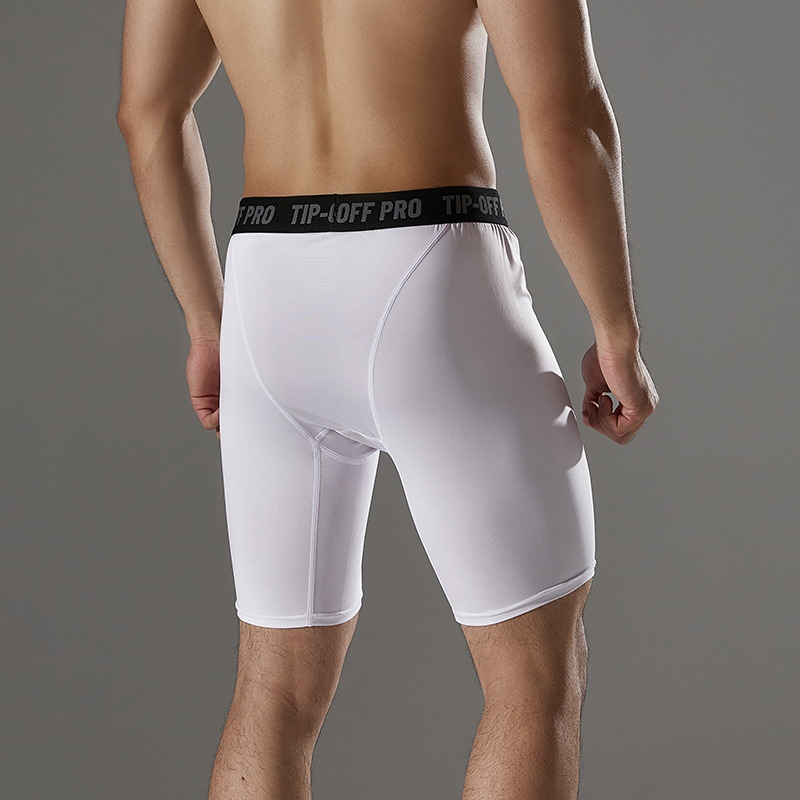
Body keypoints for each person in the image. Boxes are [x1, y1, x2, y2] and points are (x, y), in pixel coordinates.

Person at [116, 0, 659, 797]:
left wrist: (208, 322)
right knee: (531, 679)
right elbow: (562, 120)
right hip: (431, 265)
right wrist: (617, 330)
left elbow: (146, 115)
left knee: (274, 690)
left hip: (270, 287)